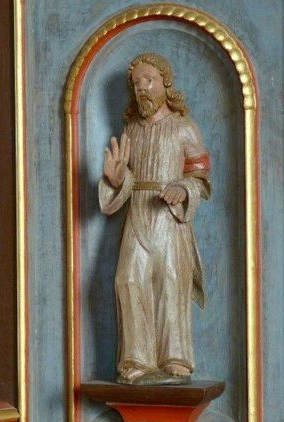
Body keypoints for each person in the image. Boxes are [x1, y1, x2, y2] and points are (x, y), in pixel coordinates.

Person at [99, 53, 210, 385]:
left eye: (149, 81)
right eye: (136, 84)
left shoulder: (184, 127)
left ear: (165, 83)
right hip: (138, 212)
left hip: (168, 217)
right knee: (128, 279)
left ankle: (175, 357)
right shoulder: (131, 130)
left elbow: (201, 176)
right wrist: (117, 179)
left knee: (170, 280)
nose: (142, 89)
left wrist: (183, 187)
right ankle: (136, 358)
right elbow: (127, 177)